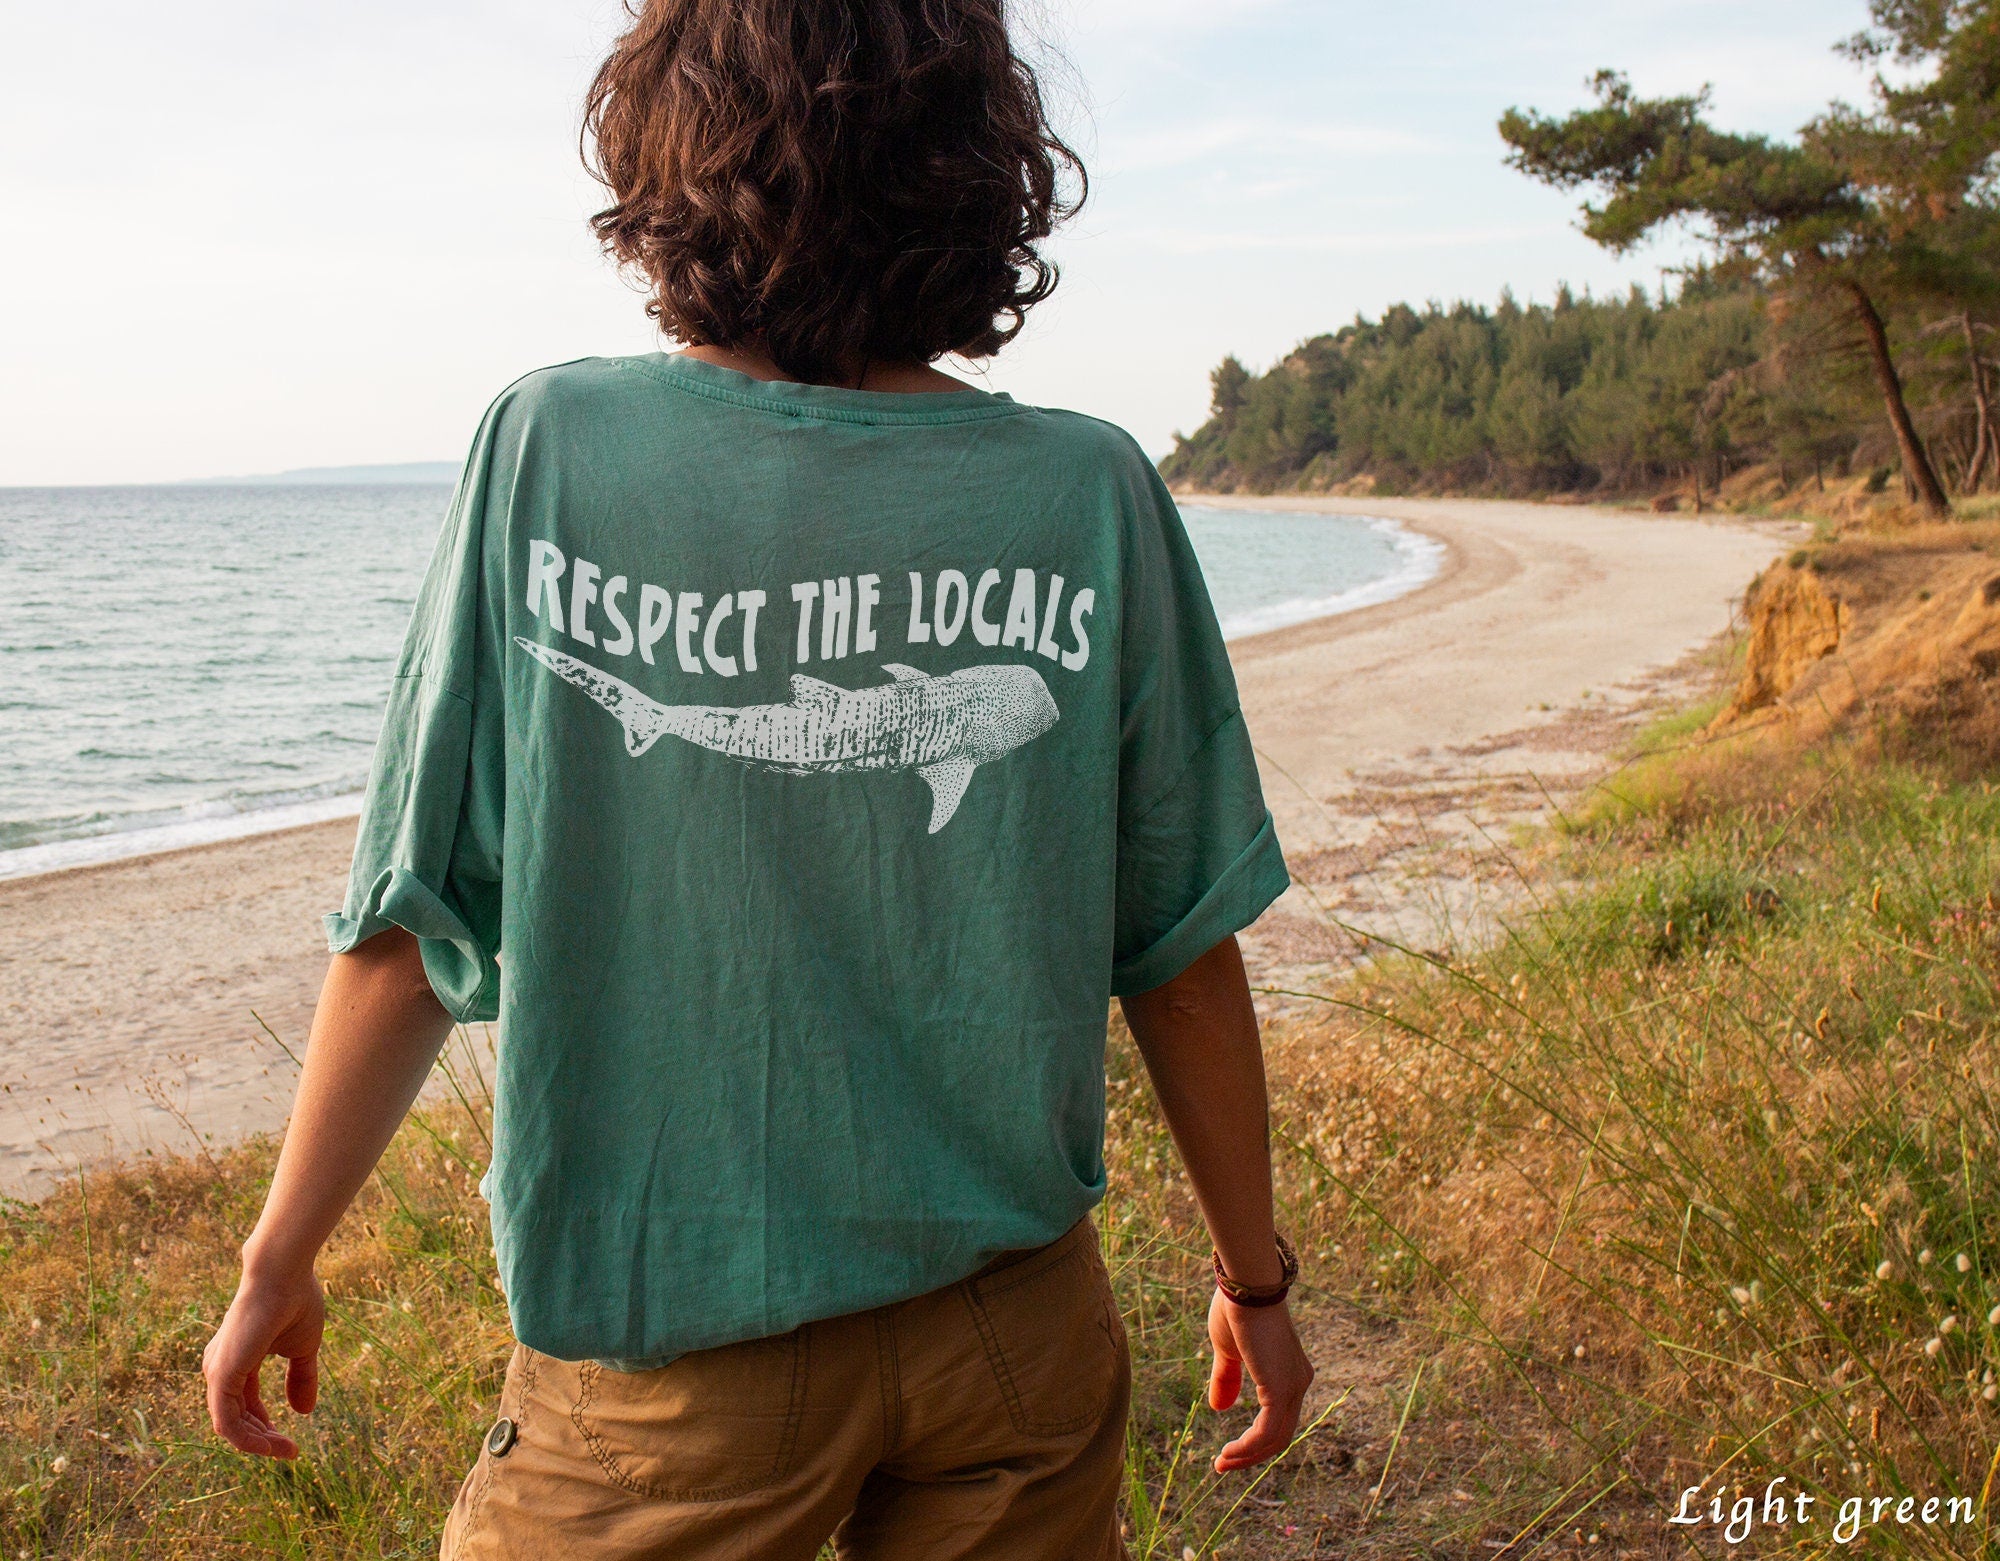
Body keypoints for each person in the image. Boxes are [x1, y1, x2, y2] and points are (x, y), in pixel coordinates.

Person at [200, 0, 1314, 1554]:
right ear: (982, 165)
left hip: (675, 1355)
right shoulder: (1093, 489)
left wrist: (280, 1252)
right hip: (1017, 1333)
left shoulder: (555, 447)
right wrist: (1252, 1277)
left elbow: (415, 918)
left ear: (671, 151)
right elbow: (1183, 952)